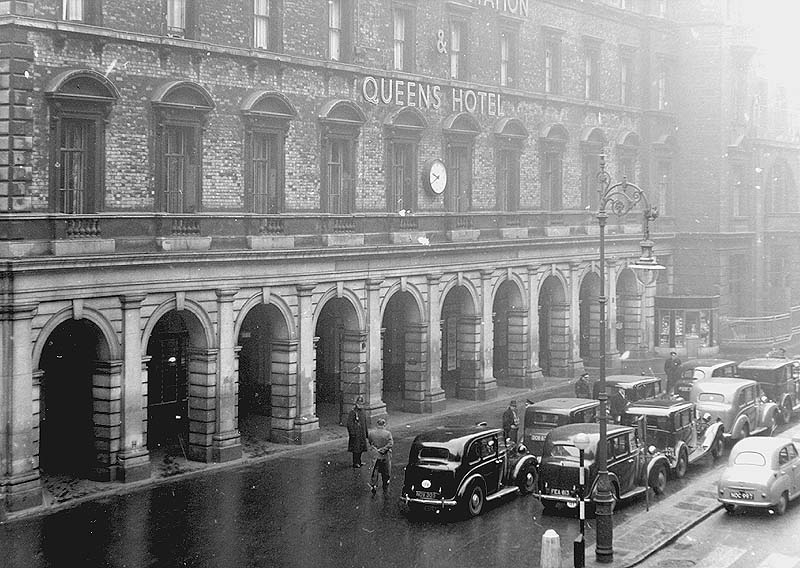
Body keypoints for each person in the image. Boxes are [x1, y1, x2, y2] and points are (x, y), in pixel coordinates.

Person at [368, 418, 393, 495]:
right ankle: (385, 482)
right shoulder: (387, 433)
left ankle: (374, 485)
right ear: (384, 424)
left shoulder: (371, 433)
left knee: (375, 470)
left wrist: (377, 449)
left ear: (377, 424)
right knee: (386, 470)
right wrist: (383, 449)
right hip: (385, 455)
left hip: (375, 455)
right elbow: (390, 444)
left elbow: (370, 442)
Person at [346, 395, 369, 468]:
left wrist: (366, 433)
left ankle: (359, 461)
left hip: (362, 433)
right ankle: (355, 462)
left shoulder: (362, 411)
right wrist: (352, 433)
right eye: (359, 403)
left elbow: (365, 423)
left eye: (361, 404)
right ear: (356, 403)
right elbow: (349, 424)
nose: (360, 405)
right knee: (356, 449)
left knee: (361, 448)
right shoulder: (353, 412)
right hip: (356, 434)